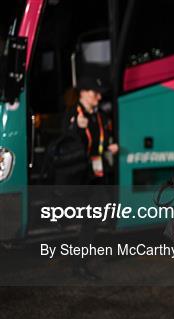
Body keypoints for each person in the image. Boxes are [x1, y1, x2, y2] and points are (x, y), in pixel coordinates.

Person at [64, 76, 119, 280]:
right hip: (78, 176)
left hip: (96, 174)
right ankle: (78, 263)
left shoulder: (100, 116)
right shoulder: (73, 114)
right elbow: (67, 144)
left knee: (93, 217)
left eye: (99, 93)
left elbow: (99, 142)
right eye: (94, 92)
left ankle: (79, 262)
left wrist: (108, 149)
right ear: (83, 94)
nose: (98, 96)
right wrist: (75, 127)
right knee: (89, 219)